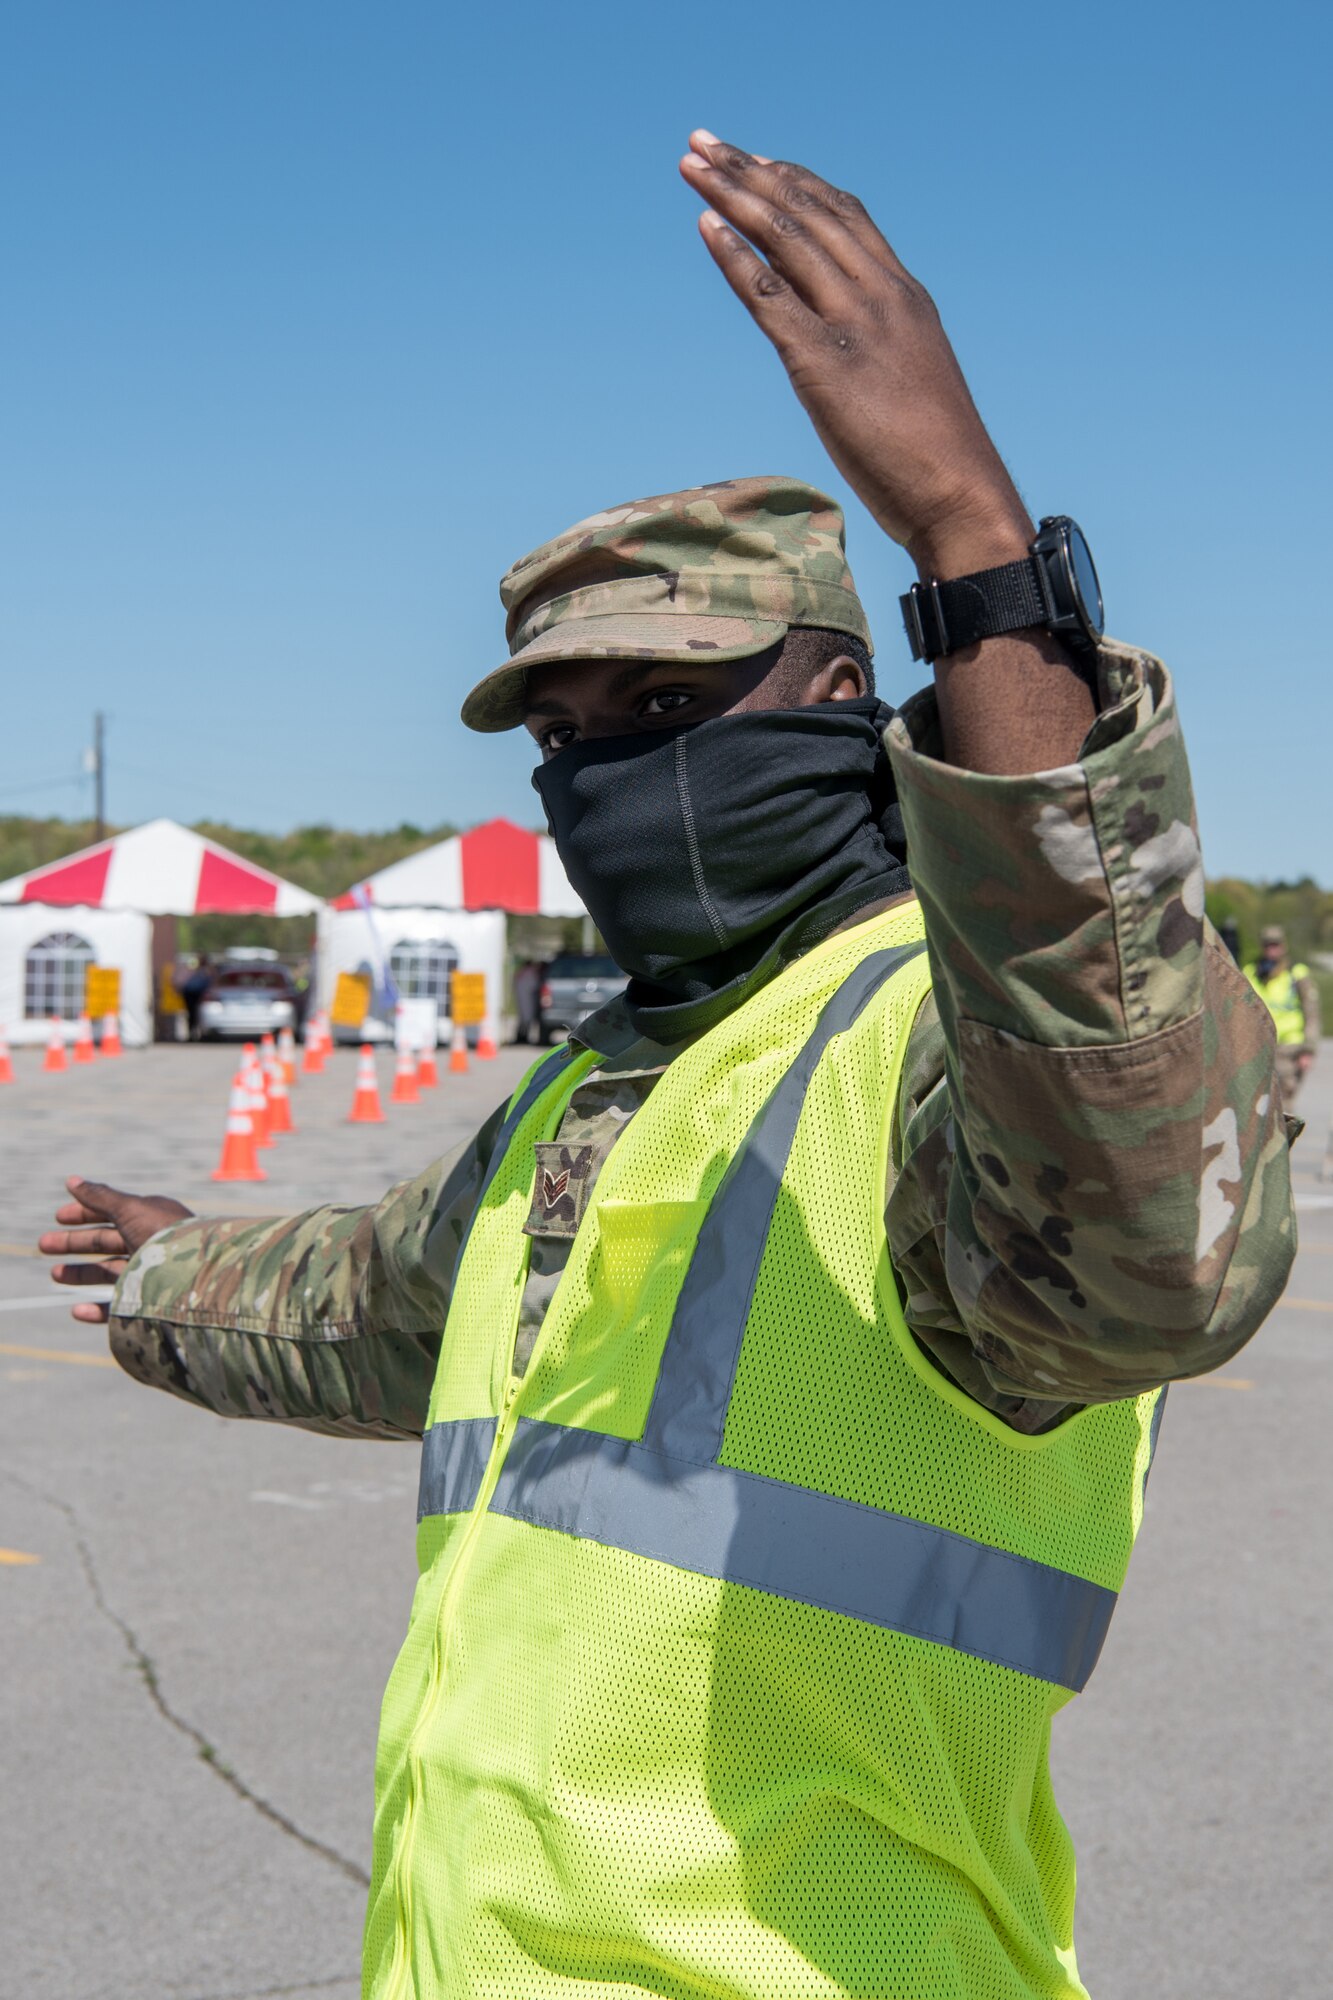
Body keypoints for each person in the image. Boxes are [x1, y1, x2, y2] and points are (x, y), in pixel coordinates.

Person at [40, 134, 1296, 2000]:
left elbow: (1145, 1243)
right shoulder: (597, 1079)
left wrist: (971, 546)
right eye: (561, 732)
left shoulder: (935, 1041)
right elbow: (395, 1309)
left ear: (836, 699)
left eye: (665, 706)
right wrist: (162, 1269)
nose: (602, 771)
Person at [1243, 923, 1320, 1108]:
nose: (1272, 949)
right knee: (1254, 1108)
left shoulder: (1296, 973)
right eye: (1268, 944)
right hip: (1257, 1049)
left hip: (1289, 1050)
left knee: (1283, 1107)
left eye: (1275, 944)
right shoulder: (1250, 972)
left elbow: (1312, 1013)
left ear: (1283, 946)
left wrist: (1308, 1050)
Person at [177, 953, 212, 1042]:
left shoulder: (205, 971)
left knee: (199, 1015)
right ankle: (193, 1033)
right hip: (190, 994)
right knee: (192, 1014)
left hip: (200, 994)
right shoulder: (193, 969)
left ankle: (200, 1033)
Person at [512, 957, 542, 1044]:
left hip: (523, 999)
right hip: (528, 1000)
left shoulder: (522, 973)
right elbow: (535, 985)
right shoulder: (530, 973)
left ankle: (521, 1037)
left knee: (523, 1020)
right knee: (526, 1020)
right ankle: (523, 1037)